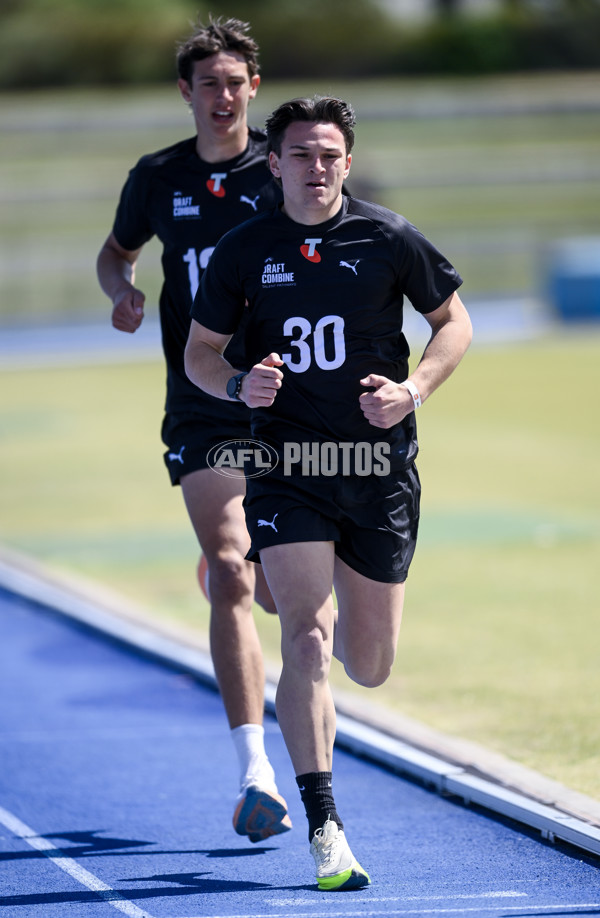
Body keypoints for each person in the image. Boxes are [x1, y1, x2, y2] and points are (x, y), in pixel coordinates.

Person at [184, 95, 473, 889]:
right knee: (307, 641)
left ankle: (296, 591)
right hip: (287, 466)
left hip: (378, 472)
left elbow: (454, 323)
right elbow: (200, 353)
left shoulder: (388, 237)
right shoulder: (245, 249)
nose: (316, 168)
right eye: (300, 155)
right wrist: (242, 381)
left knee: (369, 663)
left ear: (347, 162)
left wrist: (412, 391)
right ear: (272, 163)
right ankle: (326, 830)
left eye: (329, 155)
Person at [96, 17, 292, 844]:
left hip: (287, 401)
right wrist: (123, 292)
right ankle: (255, 772)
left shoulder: (284, 169)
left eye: (235, 82)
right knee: (232, 569)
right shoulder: (158, 177)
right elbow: (116, 252)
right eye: (206, 84)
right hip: (202, 401)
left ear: (254, 85)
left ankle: (239, 570)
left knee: (277, 587)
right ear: (187, 92)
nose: (222, 97)